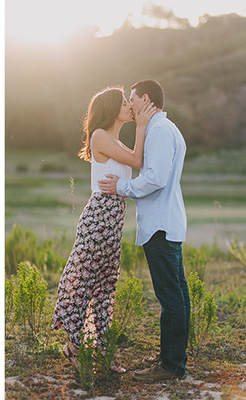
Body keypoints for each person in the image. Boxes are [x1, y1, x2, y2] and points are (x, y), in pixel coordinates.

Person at [52, 86, 157, 375]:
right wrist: (144, 125)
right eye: (125, 103)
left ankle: (100, 350)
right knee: (87, 282)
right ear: (112, 109)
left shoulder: (115, 141)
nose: (129, 107)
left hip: (113, 220)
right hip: (99, 218)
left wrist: (145, 127)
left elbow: (140, 159)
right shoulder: (100, 136)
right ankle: (75, 348)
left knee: (105, 287)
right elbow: (137, 161)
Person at [98, 79, 189, 382]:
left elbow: (155, 178)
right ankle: (173, 359)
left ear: (145, 99)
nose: (131, 105)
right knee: (177, 295)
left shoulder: (159, 131)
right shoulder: (163, 129)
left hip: (160, 225)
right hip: (166, 221)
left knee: (171, 298)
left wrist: (121, 187)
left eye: (132, 99)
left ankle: (171, 366)